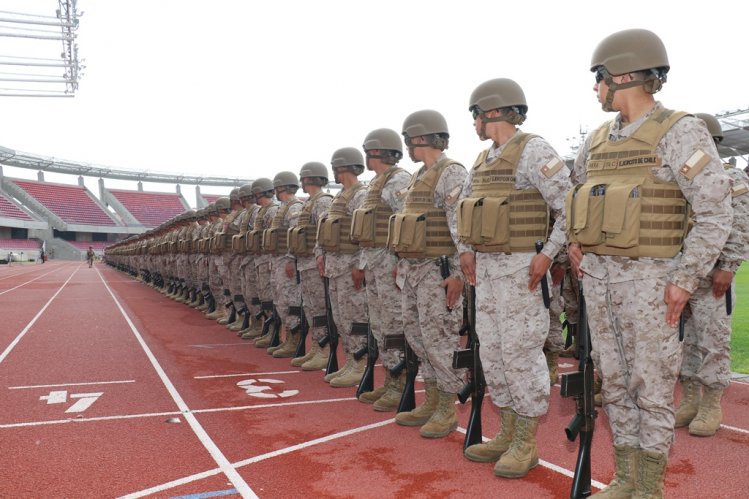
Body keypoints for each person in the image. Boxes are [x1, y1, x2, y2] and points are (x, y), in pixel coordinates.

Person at [567, 29, 732, 497]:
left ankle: (650, 487)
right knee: (615, 384)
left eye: (598, 78)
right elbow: (574, 196)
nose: (595, 88)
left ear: (621, 76)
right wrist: (574, 243)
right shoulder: (597, 140)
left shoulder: (680, 131)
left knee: (652, 389)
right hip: (600, 283)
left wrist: (684, 279)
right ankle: (625, 478)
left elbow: (716, 212)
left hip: (654, 284)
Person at [458, 78, 571, 478]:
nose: (472, 123)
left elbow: (569, 205)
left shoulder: (534, 150)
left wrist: (548, 254)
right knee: (493, 352)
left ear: (490, 113)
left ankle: (526, 442)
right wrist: (465, 250)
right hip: (487, 275)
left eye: (474, 115)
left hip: (522, 271)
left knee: (522, 355)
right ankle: (506, 432)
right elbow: (461, 212)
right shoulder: (482, 161)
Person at [390, 110, 467, 439]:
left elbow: (460, 226)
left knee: (440, 340)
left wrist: (460, 274)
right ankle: (433, 399)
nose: (407, 145)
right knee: (418, 338)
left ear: (419, 138)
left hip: (439, 272)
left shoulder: (451, 174)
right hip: (413, 272)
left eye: (409, 139)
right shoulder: (416, 177)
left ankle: (447, 408)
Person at [674, 113, 749, 437]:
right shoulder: (683, 179)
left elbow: (740, 225)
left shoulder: (731, 177)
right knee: (686, 341)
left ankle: (711, 402)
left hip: (712, 275)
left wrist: (728, 267)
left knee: (713, 340)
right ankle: (690, 399)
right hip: (682, 275)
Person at [352, 128, 412, 410]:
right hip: (374, 263)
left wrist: (401, 263)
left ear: (376, 152)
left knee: (393, 324)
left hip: (389, 262)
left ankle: (400, 381)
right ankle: (391, 379)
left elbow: (407, 221)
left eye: (368, 151)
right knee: (379, 324)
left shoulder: (399, 179)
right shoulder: (376, 184)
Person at [315, 148, 370, 387]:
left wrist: (360, 265)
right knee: (340, 316)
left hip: (350, 266)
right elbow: (325, 230)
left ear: (342, 168)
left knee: (354, 316)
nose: (334, 173)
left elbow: (366, 232)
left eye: (336, 168)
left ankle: (359, 363)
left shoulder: (361, 195)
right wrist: (321, 255)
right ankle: (350, 360)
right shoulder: (339, 198)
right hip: (335, 266)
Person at [287, 162, 334, 369]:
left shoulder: (322, 202)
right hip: (306, 264)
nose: (302, 183)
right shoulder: (309, 203)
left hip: (315, 265)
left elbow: (322, 235)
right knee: (311, 307)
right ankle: (316, 347)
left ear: (309, 179)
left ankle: (323, 350)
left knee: (320, 308)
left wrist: (320, 258)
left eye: (304, 179)